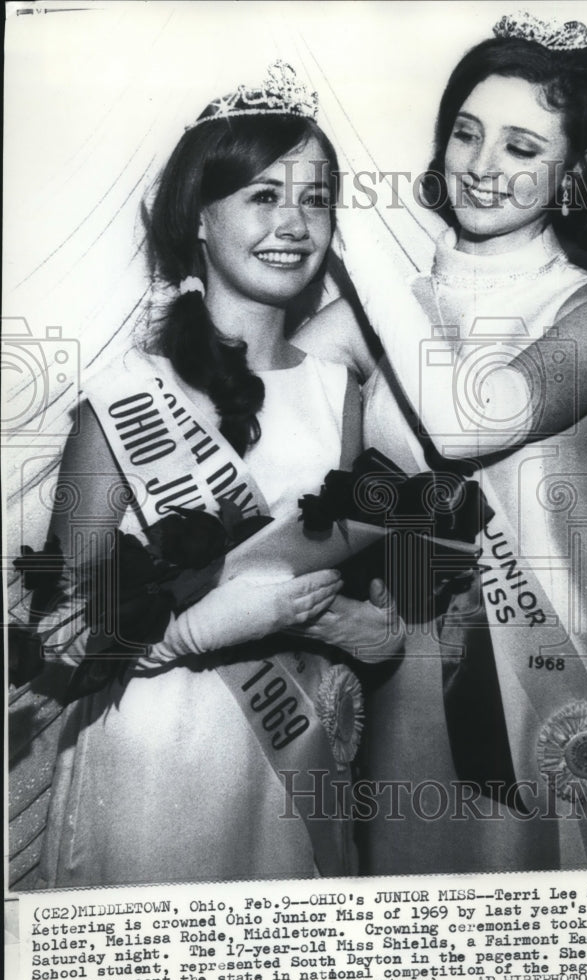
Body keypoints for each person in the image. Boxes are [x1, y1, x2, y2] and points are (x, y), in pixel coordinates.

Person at [300, 13, 587, 873]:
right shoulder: (378, 311)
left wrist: (348, 246)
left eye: (520, 147)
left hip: (550, 660)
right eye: (466, 134)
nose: (480, 166)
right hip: (409, 666)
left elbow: (471, 422)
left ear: (575, 172)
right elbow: (248, 430)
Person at [33, 62, 393, 887]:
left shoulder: (339, 391)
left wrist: (353, 626)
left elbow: (341, 591)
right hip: (157, 751)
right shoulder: (127, 395)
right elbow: (67, 625)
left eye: (314, 199)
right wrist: (199, 627)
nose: (294, 223)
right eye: (264, 196)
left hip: (292, 756)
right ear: (200, 216)